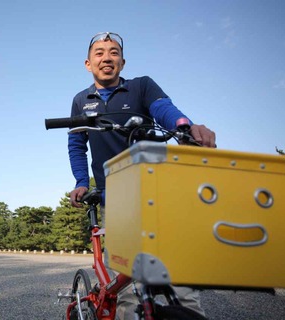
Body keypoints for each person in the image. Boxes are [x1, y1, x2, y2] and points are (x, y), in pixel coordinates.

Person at [67, 32, 216, 319]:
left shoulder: (141, 86)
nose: (106, 57)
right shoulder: (80, 100)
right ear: (88, 63)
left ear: (122, 62)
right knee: (126, 288)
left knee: (179, 284)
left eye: (113, 52)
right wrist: (82, 182)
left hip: (156, 189)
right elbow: (76, 144)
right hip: (117, 195)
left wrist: (186, 126)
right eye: (99, 53)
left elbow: (164, 109)